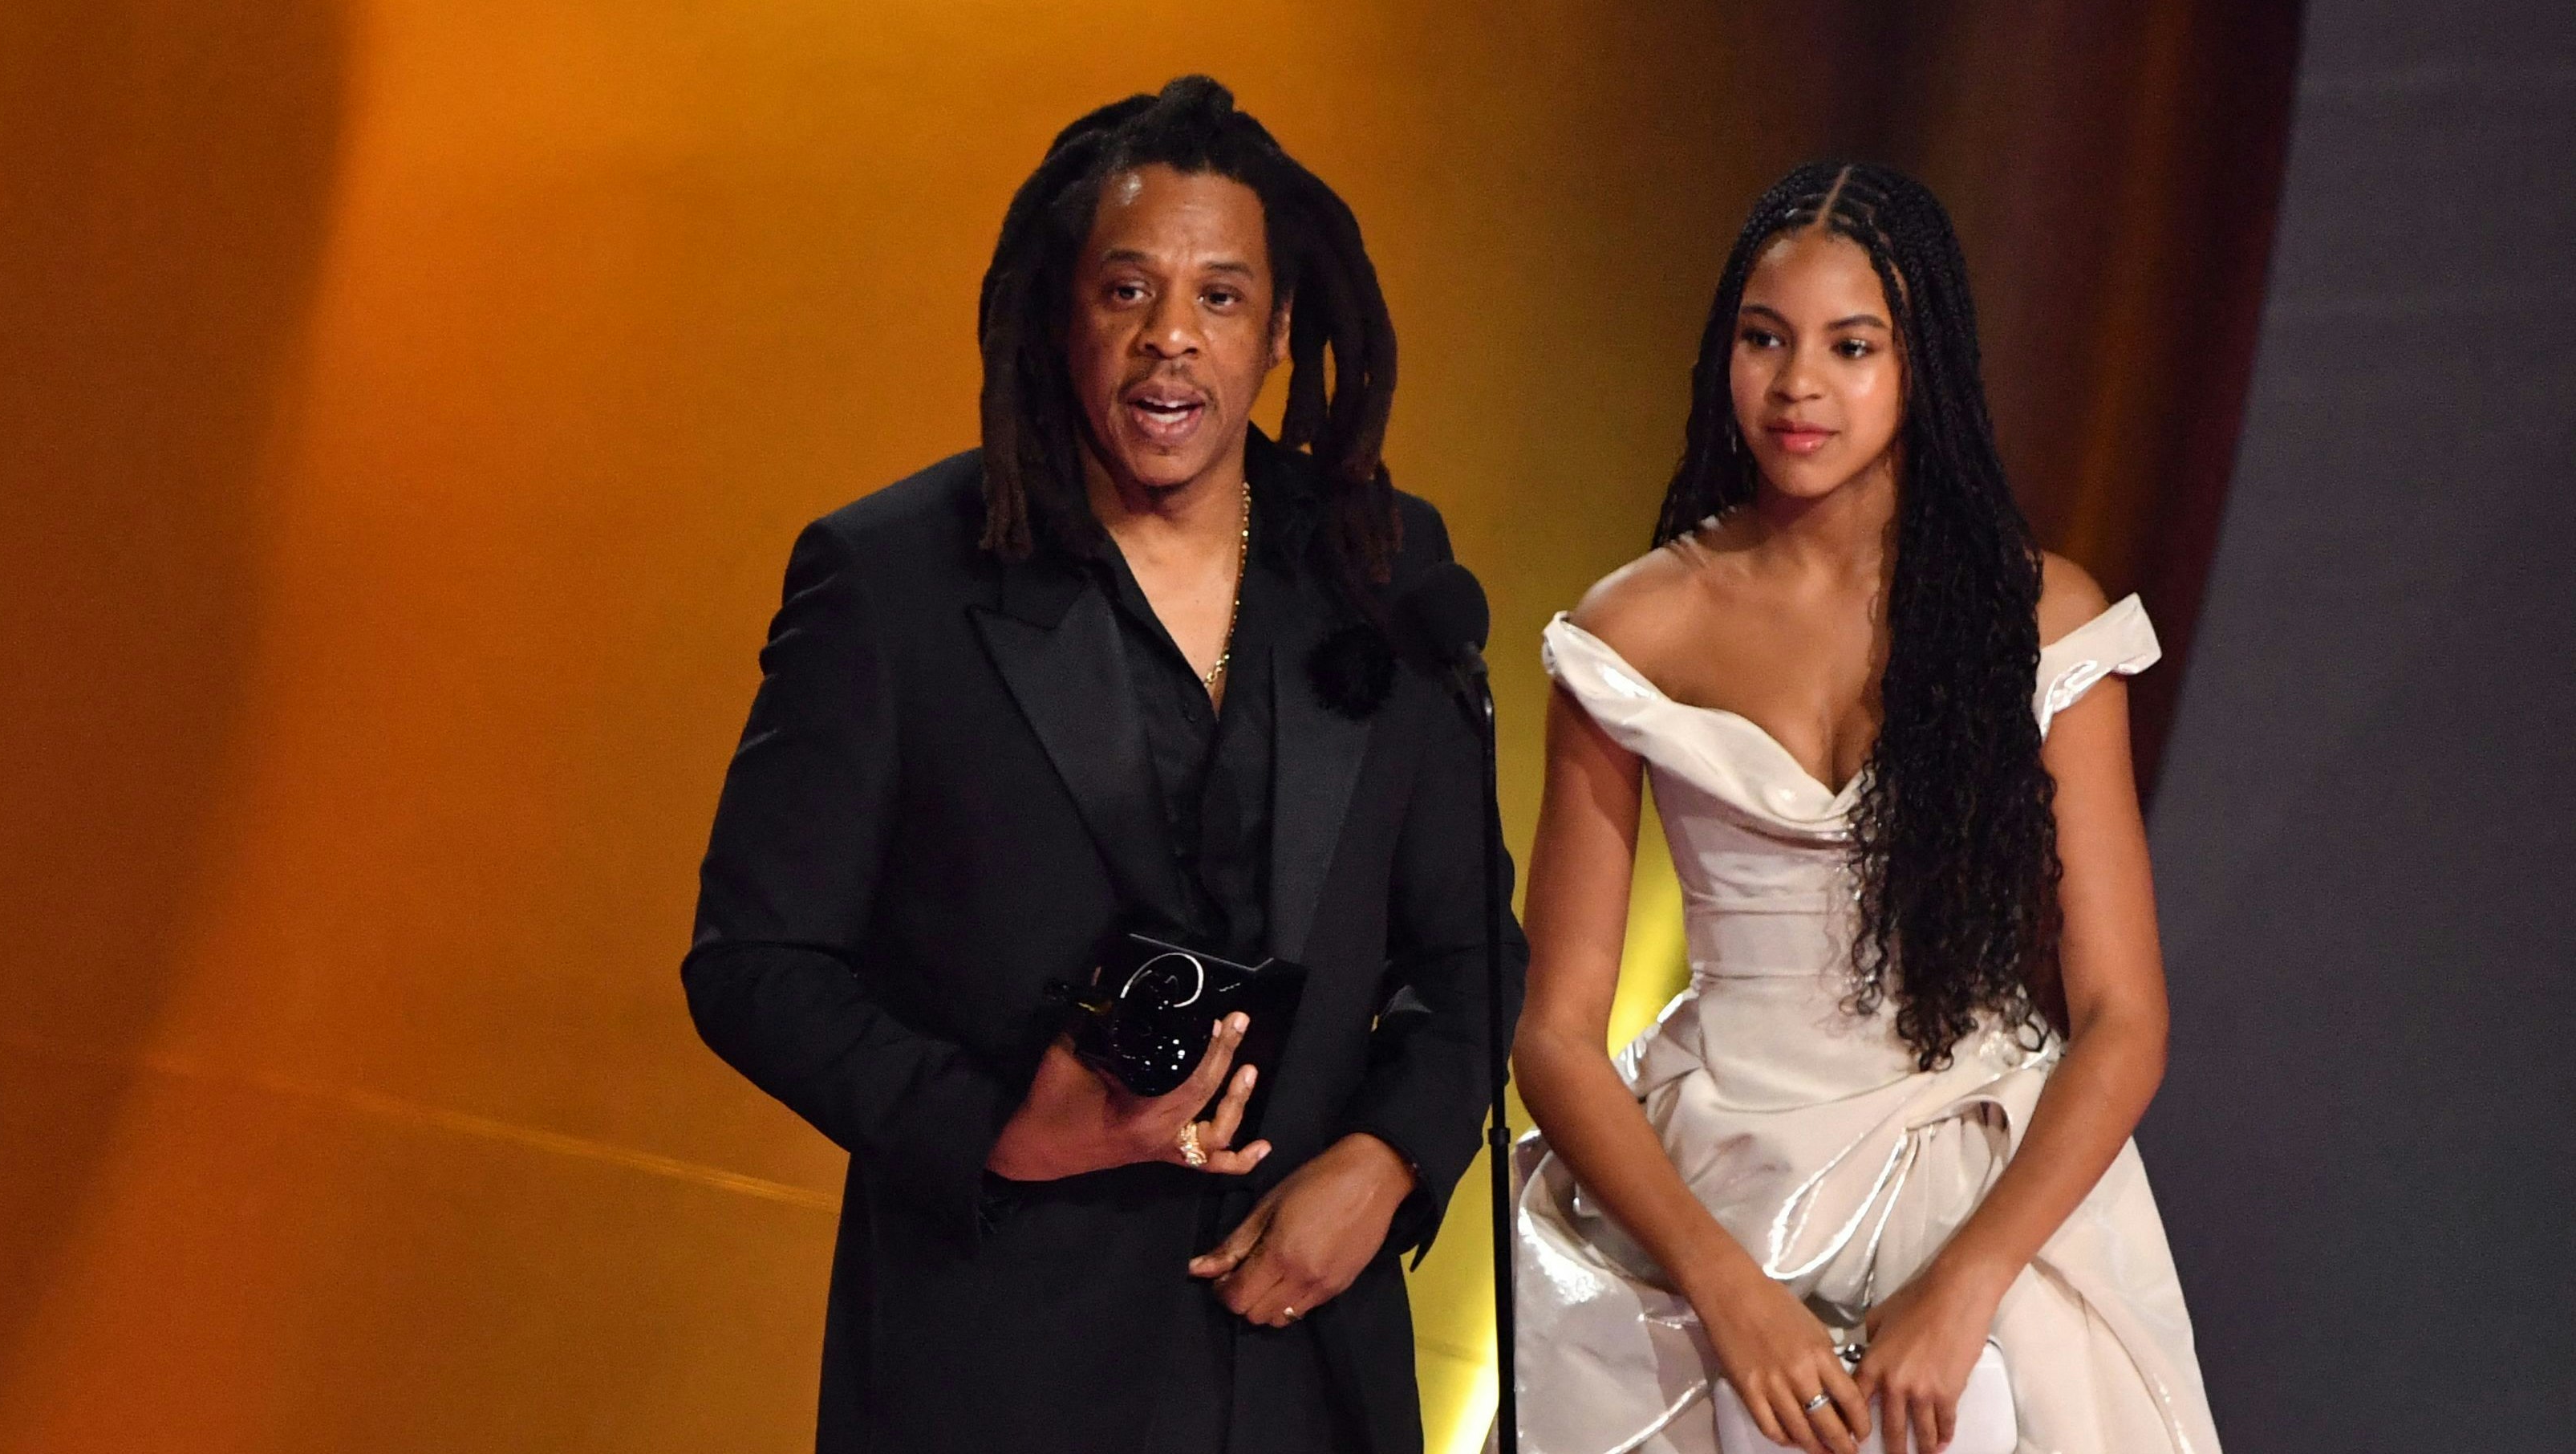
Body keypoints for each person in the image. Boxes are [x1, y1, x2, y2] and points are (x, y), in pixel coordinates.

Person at [682, 76, 1524, 1454]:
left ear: (1278, 333)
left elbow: (1468, 948)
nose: (1169, 337)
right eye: (1127, 291)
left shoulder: (1379, 564)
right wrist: (999, 1130)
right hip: (999, 1360)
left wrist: (1387, 1163)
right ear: (1058, 314)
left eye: (1219, 297)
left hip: (1303, 1352)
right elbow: (754, 963)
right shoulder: (893, 581)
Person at [1507, 162, 2221, 1454]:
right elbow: (1555, 1032)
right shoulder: (1633, 629)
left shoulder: (2040, 620)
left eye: (1850, 346)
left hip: (1980, 1186)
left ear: (1920, 364)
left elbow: (2123, 1017)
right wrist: (1725, 1291)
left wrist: (1967, 1285)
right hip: (1707, 1193)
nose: (1797, 386)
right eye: (1763, 339)